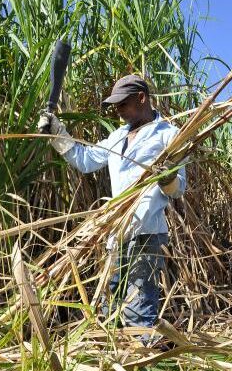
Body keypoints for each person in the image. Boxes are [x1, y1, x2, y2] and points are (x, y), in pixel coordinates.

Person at [37, 74, 186, 333]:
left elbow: (177, 190)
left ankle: (143, 362)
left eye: (122, 104)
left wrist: (168, 177)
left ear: (142, 98)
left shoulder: (169, 135)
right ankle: (111, 363)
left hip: (147, 233)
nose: (117, 111)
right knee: (110, 304)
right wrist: (57, 132)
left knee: (138, 306)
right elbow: (85, 161)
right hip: (117, 233)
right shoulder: (117, 136)